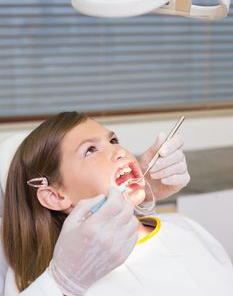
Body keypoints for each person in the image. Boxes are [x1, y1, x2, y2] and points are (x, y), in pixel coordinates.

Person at [1, 111, 197, 296]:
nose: (119, 151)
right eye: (90, 150)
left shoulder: (184, 229)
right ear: (55, 196)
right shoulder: (57, 280)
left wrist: (145, 196)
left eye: (113, 140)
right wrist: (63, 283)